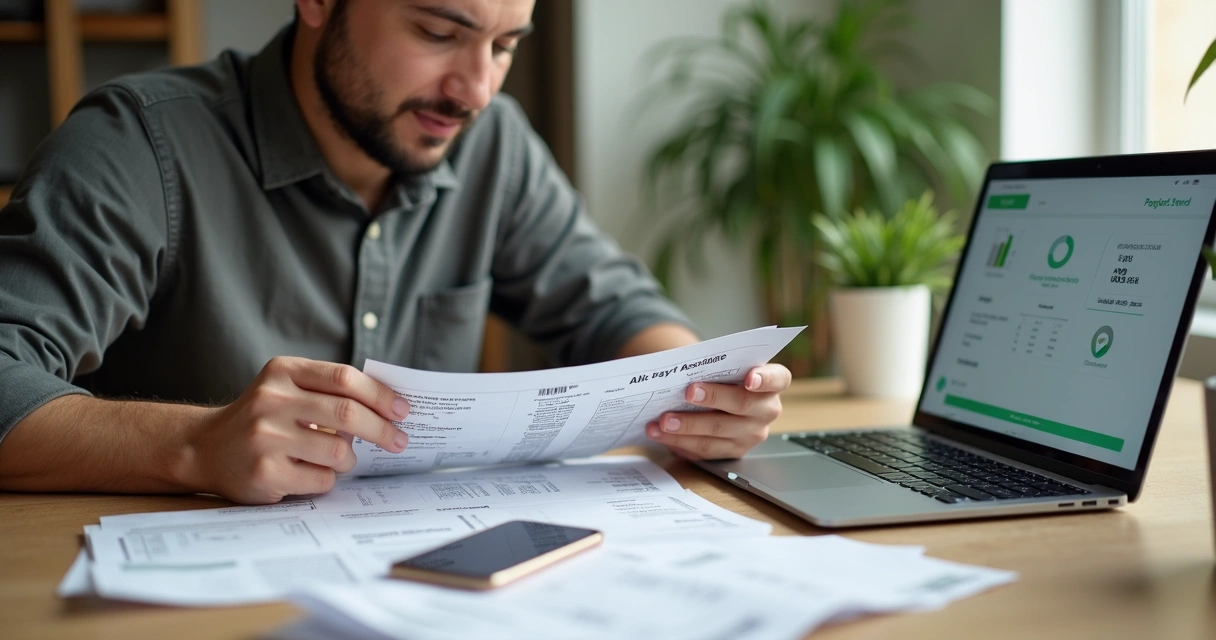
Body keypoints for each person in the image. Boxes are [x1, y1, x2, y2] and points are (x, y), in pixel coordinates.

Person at [0, 0, 791, 505]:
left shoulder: (491, 147)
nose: (476, 90)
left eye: (505, 45)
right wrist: (191, 447)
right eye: (439, 33)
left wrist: (704, 393)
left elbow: (617, 307)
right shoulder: (138, 143)